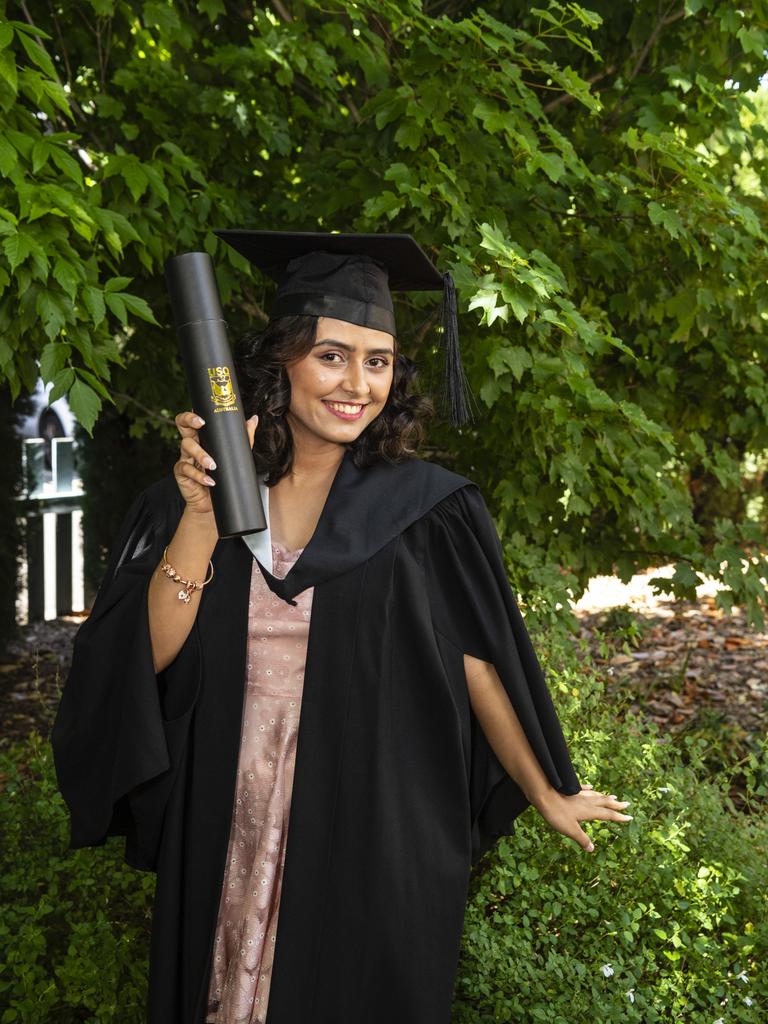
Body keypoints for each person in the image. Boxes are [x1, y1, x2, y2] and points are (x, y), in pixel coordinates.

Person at [51, 231, 632, 1024]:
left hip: (366, 814)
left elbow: (476, 661)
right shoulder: (192, 496)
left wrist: (548, 788)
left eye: (378, 361)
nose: (357, 384)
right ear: (281, 362)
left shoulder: (428, 511)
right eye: (332, 356)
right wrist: (199, 515)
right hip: (229, 805)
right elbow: (143, 658)